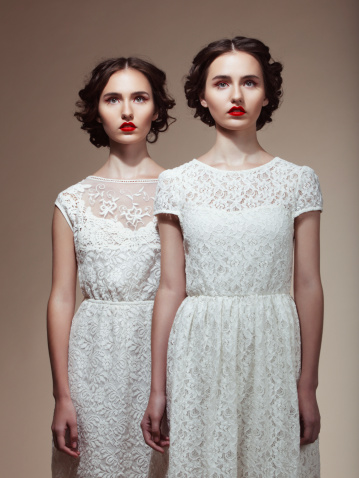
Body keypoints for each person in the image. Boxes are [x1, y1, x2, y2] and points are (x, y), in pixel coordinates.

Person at [141, 36, 323, 477]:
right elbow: (170, 287)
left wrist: (308, 384)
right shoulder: (176, 183)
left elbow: (308, 284)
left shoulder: (298, 180)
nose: (236, 96)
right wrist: (158, 389)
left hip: (274, 346)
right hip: (199, 347)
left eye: (249, 83)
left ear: (266, 94)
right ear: (202, 96)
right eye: (221, 83)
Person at [47, 57, 175, 477]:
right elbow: (62, 297)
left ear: (156, 108)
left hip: (165, 355)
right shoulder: (72, 201)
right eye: (112, 98)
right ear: (95, 110)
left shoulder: (181, 192)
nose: (126, 111)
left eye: (139, 97)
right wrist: (61, 396)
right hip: (93, 361)